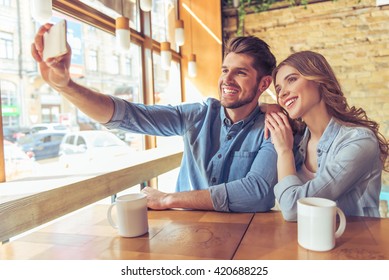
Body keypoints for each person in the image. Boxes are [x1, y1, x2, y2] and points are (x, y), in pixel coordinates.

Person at [31, 23, 278, 213]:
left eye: (241, 73)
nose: (227, 79)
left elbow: (257, 193)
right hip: (188, 232)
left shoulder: (273, 127)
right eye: (225, 70)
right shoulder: (198, 114)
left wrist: (169, 199)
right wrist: (67, 86)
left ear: (263, 83)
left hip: (245, 236)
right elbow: (128, 116)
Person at [265, 50, 389, 221]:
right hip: (303, 242)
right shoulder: (297, 138)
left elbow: (294, 208)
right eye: (278, 89)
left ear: (318, 80)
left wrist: (284, 152)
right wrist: (263, 108)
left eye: (292, 80)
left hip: (355, 244)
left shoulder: (359, 142)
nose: (282, 93)